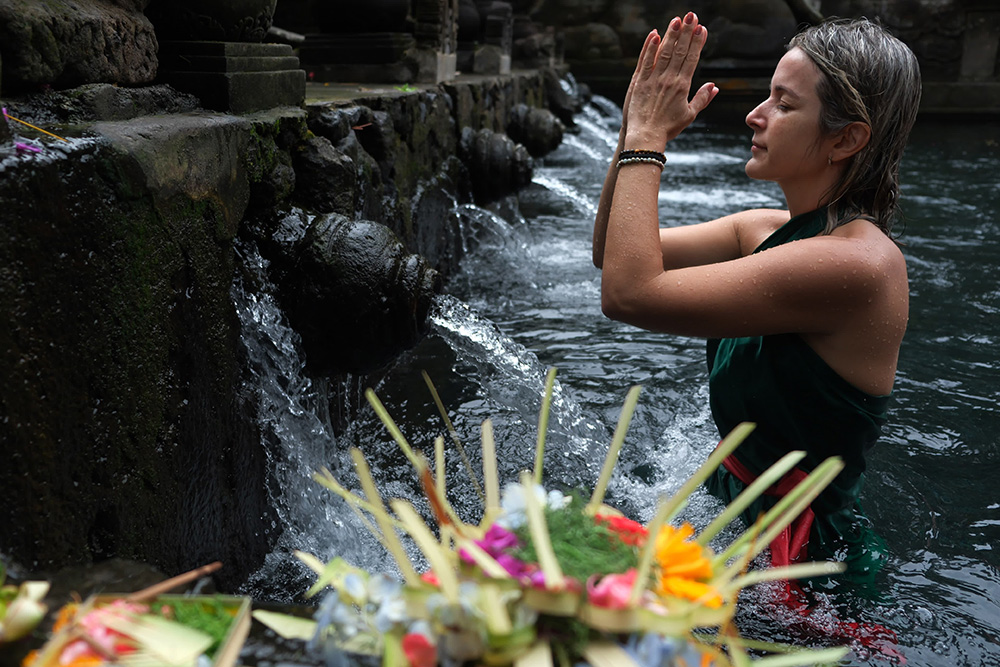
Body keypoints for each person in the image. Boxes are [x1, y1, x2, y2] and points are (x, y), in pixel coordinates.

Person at [591, 12, 922, 588]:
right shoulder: (761, 229)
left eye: (784, 104)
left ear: (846, 138)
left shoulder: (860, 265)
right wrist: (634, 130)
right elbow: (611, 252)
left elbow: (629, 294)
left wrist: (647, 141)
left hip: (798, 569)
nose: (755, 115)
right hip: (727, 511)